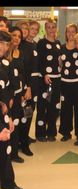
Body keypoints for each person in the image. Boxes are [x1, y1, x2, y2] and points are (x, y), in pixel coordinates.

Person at [0, 30, 23, 189]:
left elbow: (7, 90)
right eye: (1, 43)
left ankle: (7, 181)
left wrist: (7, 117)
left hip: (2, 113)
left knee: (5, 148)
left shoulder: (4, 63)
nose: (4, 47)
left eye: (7, 44)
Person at [35, 19, 61, 142]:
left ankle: (51, 132)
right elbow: (39, 61)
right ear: (45, 29)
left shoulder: (58, 43)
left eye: (53, 27)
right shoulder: (41, 43)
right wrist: (45, 74)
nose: (51, 29)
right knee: (42, 106)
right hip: (45, 79)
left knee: (53, 107)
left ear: (56, 29)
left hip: (57, 80)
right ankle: (40, 133)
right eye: (49, 27)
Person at [59, 23, 78, 143]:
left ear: (77, 33)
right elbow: (60, 64)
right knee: (65, 109)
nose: (70, 34)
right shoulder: (62, 48)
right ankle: (66, 132)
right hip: (64, 83)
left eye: (73, 31)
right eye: (68, 32)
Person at [18, 19, 40, 155]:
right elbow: (24, 70)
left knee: (29, 113)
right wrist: (28, 87)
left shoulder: (33, 45)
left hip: (34, 84)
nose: (26, 31)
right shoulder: (21, 46)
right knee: (23, 114)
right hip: (26, 86)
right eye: (23, 28)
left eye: (28, 28)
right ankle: (23, 143)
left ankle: (24, 137)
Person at [8, 26, 27, 163]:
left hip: (18, 93)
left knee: (17, 121)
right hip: (7, 94)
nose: (16, 38)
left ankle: (14, 152)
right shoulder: (5, 54)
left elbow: (23, 74)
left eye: (19, 36)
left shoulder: (20, 53)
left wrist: (24, 91)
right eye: (14, 35)